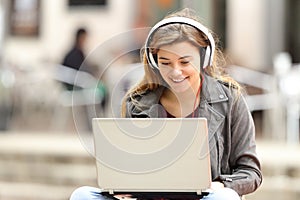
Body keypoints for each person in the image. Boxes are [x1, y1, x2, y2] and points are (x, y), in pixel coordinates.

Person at [69, 8, 262, 200]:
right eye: (166, 62)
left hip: (206, 198)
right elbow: (128, 167)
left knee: (224, 198)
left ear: (204, 58)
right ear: (154, 62)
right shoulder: (137, 102)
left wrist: (218, 186)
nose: (175, 72)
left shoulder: (230, 99)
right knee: (82, 195)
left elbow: (250, 172)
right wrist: (124, 186)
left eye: (185, 62)